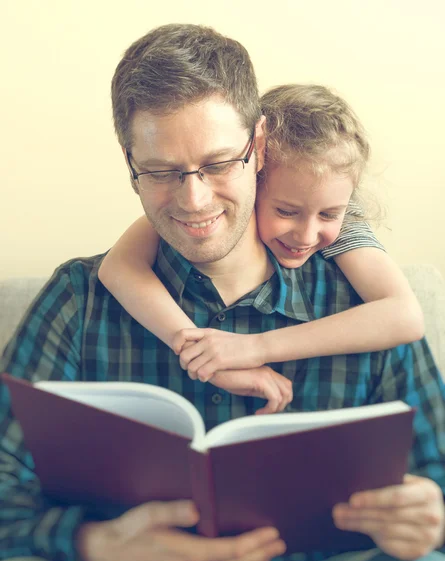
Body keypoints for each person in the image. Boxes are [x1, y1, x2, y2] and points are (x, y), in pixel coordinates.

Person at [0, 23, 445, 561]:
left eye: (216, 164)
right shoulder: (80, 298)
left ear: (259, 146)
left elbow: (437, 473)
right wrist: (95, 545)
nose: (194, 199)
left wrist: (429, 515)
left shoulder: (363, 303)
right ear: (130, 163)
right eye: (161, 171)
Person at [98, 83, 425, 409]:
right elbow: (117, 268)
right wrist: (209, 361)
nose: (306, 235)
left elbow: (406, 316)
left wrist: (255, 348)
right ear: (252, 178)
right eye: (285, 212)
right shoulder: (199, 212)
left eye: (328, 214)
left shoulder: (347, 225)